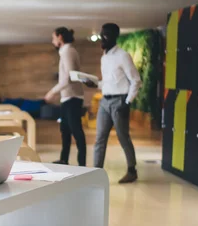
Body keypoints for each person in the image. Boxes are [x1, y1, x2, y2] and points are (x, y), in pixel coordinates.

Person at [83, 23, 141, 183]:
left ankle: (132, 170)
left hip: (120, 101)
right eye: (102, 34)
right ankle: (96, 174)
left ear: (114, 37)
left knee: (123, 137)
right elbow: (108, 82)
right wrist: (94, 84)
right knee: (99, 139)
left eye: (106, 35)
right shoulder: (104, 57)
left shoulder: (123, 56)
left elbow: (136, 81)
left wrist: (127, 102)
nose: (102, 37)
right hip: (105, 101)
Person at [44, 27, 87, 167]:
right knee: (65, 129)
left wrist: (52, 92)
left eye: (53, 38)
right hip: (67, 97)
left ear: (60, 37)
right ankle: (64, 159)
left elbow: (68, 77)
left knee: (76, 130)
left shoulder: (68, 51)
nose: (52, 41)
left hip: (73, 97)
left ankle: (82, 164)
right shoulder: (65, 51)